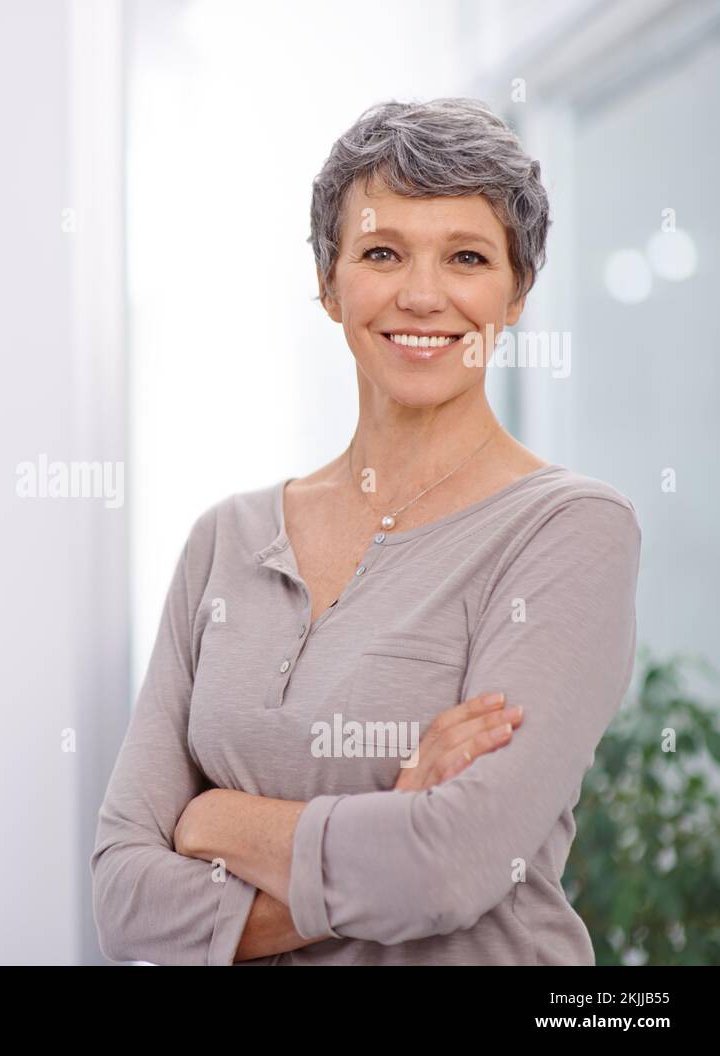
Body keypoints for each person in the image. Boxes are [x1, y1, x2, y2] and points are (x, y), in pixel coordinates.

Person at [90, 97, 642, 965]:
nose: (422, 296)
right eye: (382, 253)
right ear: (328, 281)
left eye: (466, 257)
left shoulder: (570, 529)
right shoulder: (222, 542)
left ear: (518, 292)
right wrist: (387, 834)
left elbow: (451, 869)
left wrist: (216, 819)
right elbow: (123, 900)